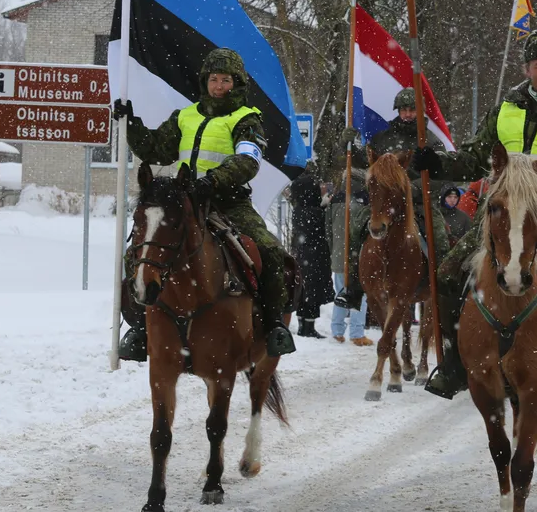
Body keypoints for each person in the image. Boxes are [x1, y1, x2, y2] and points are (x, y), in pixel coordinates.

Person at [417, 29, 537, 406]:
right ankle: (453, 362)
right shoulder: (504, 110)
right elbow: (474, 157)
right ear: (526, 69)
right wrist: (438, 162)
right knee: (446, 275)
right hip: (499, 223)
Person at [112, 48, 295, 360]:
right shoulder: (185, 116)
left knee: (270, 249)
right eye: (214, 79)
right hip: (183, 202)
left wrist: (213, 181)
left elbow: (248, 160)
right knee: (138, 253)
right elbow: (157, 151)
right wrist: (130, 123)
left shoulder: (247, 119)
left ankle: (274, 324)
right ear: (204, 82)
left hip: (229, 203)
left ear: (237, 84)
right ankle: (140, 327)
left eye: (226, 80)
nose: (219, 86)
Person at [332, 88, 450, 310]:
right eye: (404, 110)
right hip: (383, 204)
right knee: (356, 227)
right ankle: (353, 288)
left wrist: (411, 190)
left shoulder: (431, 141)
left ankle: (443, 283)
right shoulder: (383, 138)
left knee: (439, 235)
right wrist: (347, 145)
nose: (408, 114)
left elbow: (439, 174)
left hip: (418, 204)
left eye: (412, 110)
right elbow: (365, 161)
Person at [289, 163, 335, 338]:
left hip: (304, 255)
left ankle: (303, 324)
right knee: (312, 291)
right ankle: (308, 327)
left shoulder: (299, 210)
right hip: (315, 257)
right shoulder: (313, 212)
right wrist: (324, 207)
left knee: (305, 291)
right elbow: (318, 225)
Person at [328, 177, 374, 346]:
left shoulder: (335, 200)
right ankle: (356, 333)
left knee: (341, 292)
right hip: (357, 256)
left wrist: (334, 249)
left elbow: (328, 230)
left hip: (339, 254)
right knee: (359, 294)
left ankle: (337, 330)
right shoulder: (364, 202)